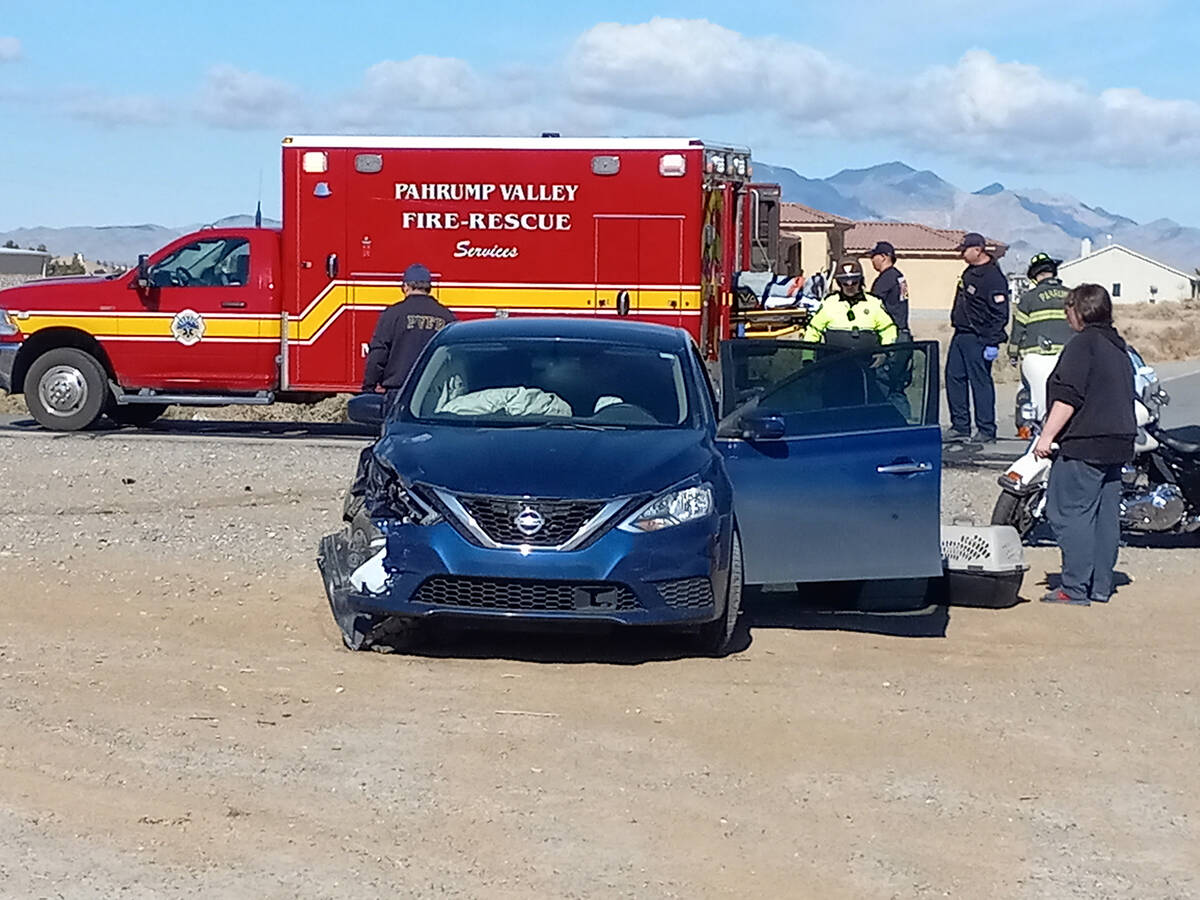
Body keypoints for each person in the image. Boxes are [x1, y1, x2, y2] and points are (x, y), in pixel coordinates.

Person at [1034, 283, 1135, 606]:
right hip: (1117, 442)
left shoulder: (1083, 344)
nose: (1067, 317)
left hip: (1085, 443)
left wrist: (1046, 436)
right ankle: (1100, 585)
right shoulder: (1118, 346)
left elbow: (1068, 396)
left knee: (1069, 512)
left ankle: (1074, 587)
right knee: (1104, 517)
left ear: (1080, 311)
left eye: (1069, 310)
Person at [361, 263, 457, 409]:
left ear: (406, 287)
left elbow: (378, 354)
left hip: (398, 391)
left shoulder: (392, 315)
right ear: (429, 288)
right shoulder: (447, 317)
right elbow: (454, 358)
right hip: (433, 393)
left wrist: (368, 388)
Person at [945, 232, 1009, 443]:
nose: (962, 254)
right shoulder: (969, 273)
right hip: (961, 334)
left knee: (980, 382)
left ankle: (986, 429)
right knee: (954, 377)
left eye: (965, 250)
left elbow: (1000, 313)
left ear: (978, 250)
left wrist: (992, 342)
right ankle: (960, 426)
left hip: (979, 337)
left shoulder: (992, 277)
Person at [1010, 252, 1071, 434]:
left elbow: (1018, 329)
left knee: (1028, 391)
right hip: (1067, 357)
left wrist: (1013, 353)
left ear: (1035, 276)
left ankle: (1026, 427)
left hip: (1035, 357)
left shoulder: (1029, 298)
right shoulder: (1071, 296)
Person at [802, 258, 897, 347]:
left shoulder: (874, 304)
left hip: (867, 358)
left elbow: (888, 330)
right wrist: (808, 356)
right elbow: (813, 331)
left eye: (854, 282)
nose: (850, 287)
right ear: (839, 283)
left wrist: (886, 352)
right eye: (845, 283)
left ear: (860, 281)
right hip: (834, 358)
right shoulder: (829, 304)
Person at [869, 241, 909, 335]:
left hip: (889, 330)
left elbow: (873, 303)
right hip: (901, 328)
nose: (872, 260)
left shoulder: (886, 278)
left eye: (873, 256)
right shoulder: (898, 276)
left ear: (883, 257)